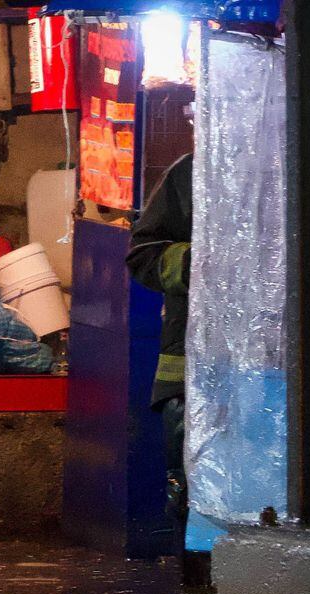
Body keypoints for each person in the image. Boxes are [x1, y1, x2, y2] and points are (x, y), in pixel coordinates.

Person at [126, 153, 193, 567]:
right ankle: (197, 591)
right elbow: (143, 254)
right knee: (192, 491)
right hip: (190, 378)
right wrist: (198, 261)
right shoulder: (191, 172)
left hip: (278, 377)